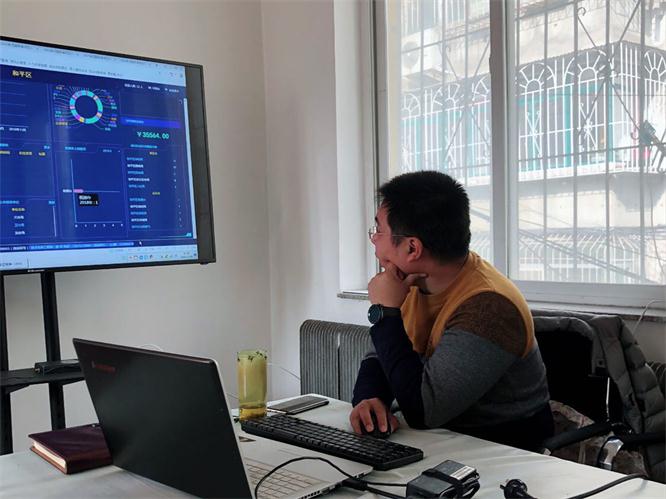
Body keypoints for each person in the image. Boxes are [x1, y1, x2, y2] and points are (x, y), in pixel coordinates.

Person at [350, 171, 554, 451]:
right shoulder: (410, 281)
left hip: (497, 448)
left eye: (379, 230)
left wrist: (385, 312)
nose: (374, 240)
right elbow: (378, 356)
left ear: (412, 248)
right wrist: (369, 397)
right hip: (439, 438)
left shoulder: (489, 306)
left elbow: (425, 411)